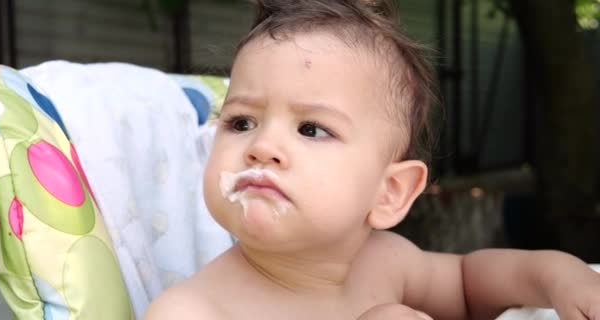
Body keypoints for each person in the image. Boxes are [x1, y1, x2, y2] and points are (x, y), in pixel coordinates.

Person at [145, 0, 600, 319]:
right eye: (241, 122)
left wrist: (559, 275)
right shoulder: (192, 311)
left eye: (312, 129)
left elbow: (468, 283)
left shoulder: (385, 263)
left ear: (390, 192)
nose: (261, 147)